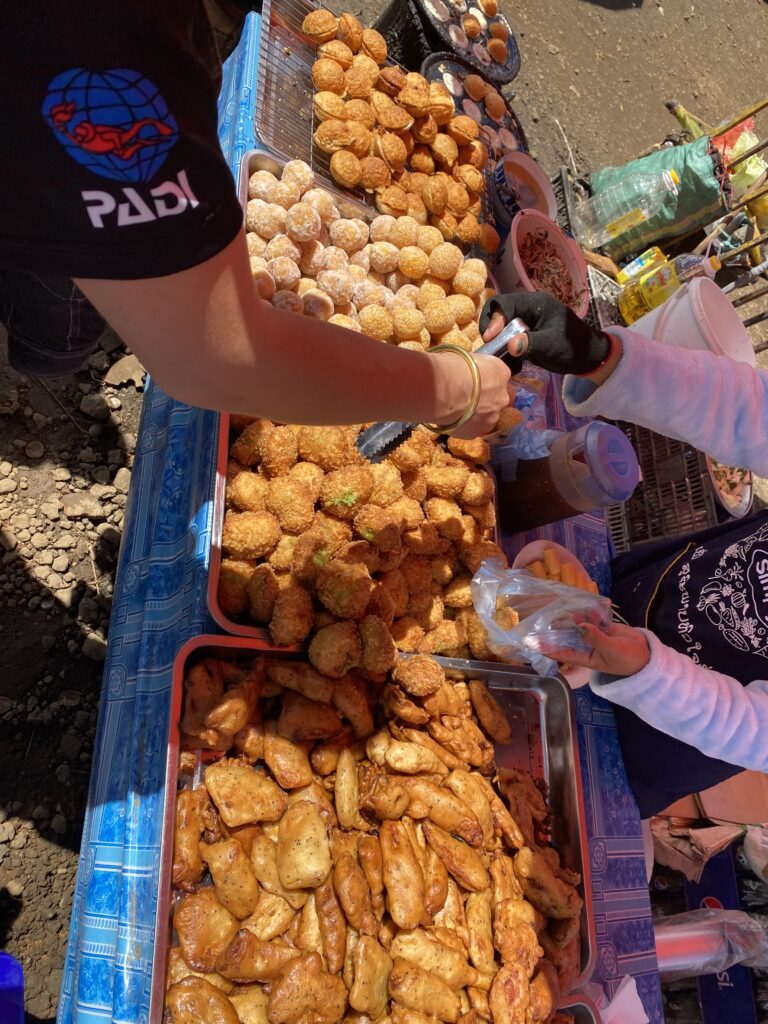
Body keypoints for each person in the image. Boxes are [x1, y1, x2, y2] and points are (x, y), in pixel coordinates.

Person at [0, 3, 511, 440]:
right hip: (50, 150)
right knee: (59, 303)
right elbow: (214, 358)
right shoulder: (100, 46)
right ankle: (49, 357)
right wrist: (454, 389)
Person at [481, 291, 768, 816]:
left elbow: (756, 732)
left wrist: (648, 673)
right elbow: (748, 411)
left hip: (668, 728)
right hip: (648, 591)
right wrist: (599, 355)